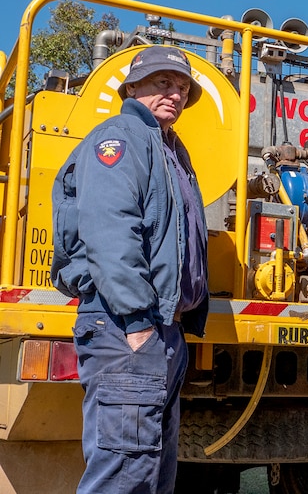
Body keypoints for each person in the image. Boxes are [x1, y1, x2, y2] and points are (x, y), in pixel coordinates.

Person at [51, 46, 209, 494]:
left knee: (153, 473)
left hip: (162, 329)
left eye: (181, 88)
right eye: (163, 83)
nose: (175, 95)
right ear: (133, 87)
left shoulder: (170, 149)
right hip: (127, 327)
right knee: (123, 474)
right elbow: (110, 229)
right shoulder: (120, 138)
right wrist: (139, 323)